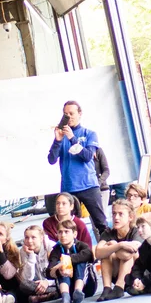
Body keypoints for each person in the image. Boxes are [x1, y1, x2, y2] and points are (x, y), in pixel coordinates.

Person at [48, 100, 108, 235]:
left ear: (79, 114)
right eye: (65, 114)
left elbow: (87, 156)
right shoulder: (61, 136)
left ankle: (108, 246)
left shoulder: (89, 133)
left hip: (89, 185)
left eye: (71, 113)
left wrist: (72, 138)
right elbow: (51, 160)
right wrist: (57, 141)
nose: (68, 117)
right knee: (68, 226)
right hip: (69, 187)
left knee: (101, 223)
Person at [95, 199, 142, 301]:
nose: (116, 217)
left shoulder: (136, 231)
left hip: (135, 275)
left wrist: (114, 245)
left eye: (121, 214)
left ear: (130, 217)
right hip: (116, 272)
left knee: (130, 254)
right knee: (105, 254)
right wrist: (119, 245)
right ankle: (107, 288)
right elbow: (98, 253)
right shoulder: (108, 233)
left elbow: (127, 255)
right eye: (114, 213)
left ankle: (119, 288)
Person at [48, 219, 94, 303]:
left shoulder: (82, 246)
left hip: (86, 286)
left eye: (66, 232)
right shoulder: (55, 251)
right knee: (61, 266)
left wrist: (66, 261)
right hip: (67, 288)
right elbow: (49, 270)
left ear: (74, 234)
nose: (63, 235)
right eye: (60, 232)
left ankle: (78, 291)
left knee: (79, 262)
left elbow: (89, 255)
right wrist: (57, 269)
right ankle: (65, 296)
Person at [18, 224, 59, 303]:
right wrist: (31, 256)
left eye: (33, 237)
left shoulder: (52, 247)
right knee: (23, 285)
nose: (29, 241)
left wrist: (47, 282)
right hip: (37, 285)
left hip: (53, 283)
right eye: (26, 237)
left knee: (62, 284)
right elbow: (28, 278)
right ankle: (48, 295)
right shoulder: (23, 251)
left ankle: (47, 295)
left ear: (41, 238)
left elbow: (61, 274)